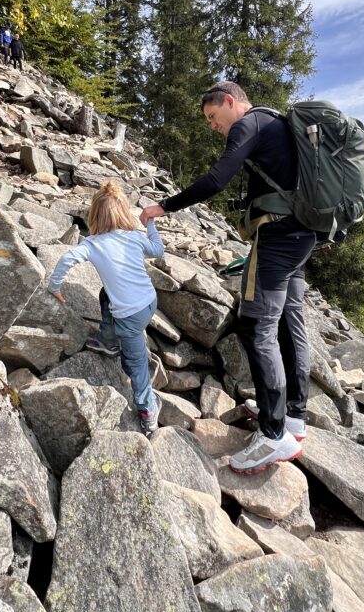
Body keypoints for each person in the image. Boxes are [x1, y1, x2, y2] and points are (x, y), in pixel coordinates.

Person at [139, 81, 317, 474]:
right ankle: (294, 417)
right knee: (291, 321)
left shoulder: (248, 124)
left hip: (279, 235)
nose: (212, 126)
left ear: (230, 102)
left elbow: (217, 179)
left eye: (212, 117)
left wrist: (162, 207)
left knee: (259, 325)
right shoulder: (278, 123)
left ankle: (274, 436)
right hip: (303, 233)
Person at [50, 181, 165, 434]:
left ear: (94, 216)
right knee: (106, 294)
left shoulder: (92, 244)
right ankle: (109, 340)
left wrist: (55, 287)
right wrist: (151, 225)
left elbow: (67, 258)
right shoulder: (135, 237)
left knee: (136, 364)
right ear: (124, 212)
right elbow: (158, 250)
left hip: (128, 319)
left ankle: (147, 408)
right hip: (149, 303)